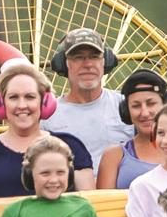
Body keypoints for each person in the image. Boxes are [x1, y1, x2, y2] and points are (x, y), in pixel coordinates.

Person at [0, 62, 95, 199]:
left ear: (45, 103)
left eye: (30, 97)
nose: (22, 105)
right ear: (1, 104)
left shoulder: (71, 147)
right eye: (13, 97)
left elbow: (91, 206)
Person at [45, 27, 133, 162]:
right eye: (78, 57)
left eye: (94, 56)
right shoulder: (48, 116)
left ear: (106, 61)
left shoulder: (129, 106)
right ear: (62, 64)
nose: (88, 64)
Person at [96, 68, 167, 190]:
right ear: (126, 112)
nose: (145, 113)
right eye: (136, 106)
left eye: (151, 103)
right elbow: (103, 206)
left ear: (166, 105)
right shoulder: (114, 156)